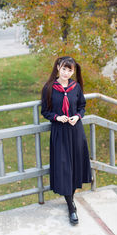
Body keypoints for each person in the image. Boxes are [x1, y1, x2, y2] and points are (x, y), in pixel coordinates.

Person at [41, 56, 92, 225]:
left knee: (75, 166)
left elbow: (82, 107)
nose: (66, 72)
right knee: (64, 167)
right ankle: (71, 206)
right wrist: (57, 117)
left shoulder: (75, 87)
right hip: (60, 132)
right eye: (64, 68)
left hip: (75, 131)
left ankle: (71, 199)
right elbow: (45, 111)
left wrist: (77, 117)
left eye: (70, 70)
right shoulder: (49, 88)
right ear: (57, 67)